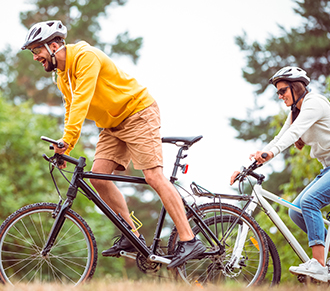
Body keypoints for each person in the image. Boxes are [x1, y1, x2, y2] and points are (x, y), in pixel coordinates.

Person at [22, 20, 205, 269]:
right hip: (112, 124)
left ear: (54, 45)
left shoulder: (86, 57)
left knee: (153, 176)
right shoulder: (61, 76)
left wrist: (68, 138)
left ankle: (189, 239)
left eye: (36, 50)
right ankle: (132, 235)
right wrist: (67, 146)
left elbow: (81, 102)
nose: (35, 57)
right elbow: (70, 109)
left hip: (137, 112)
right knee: (98, 178)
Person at [230, 66, 330, 283]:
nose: (280, 96)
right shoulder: (295, 111)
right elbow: (279, 138)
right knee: (296, 211)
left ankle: (319, 264)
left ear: (296, 87)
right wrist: (251, 164)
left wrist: (270, 153)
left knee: (310, 202)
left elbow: (294, 133)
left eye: (283, 90)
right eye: (278, 92)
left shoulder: (314, 103)